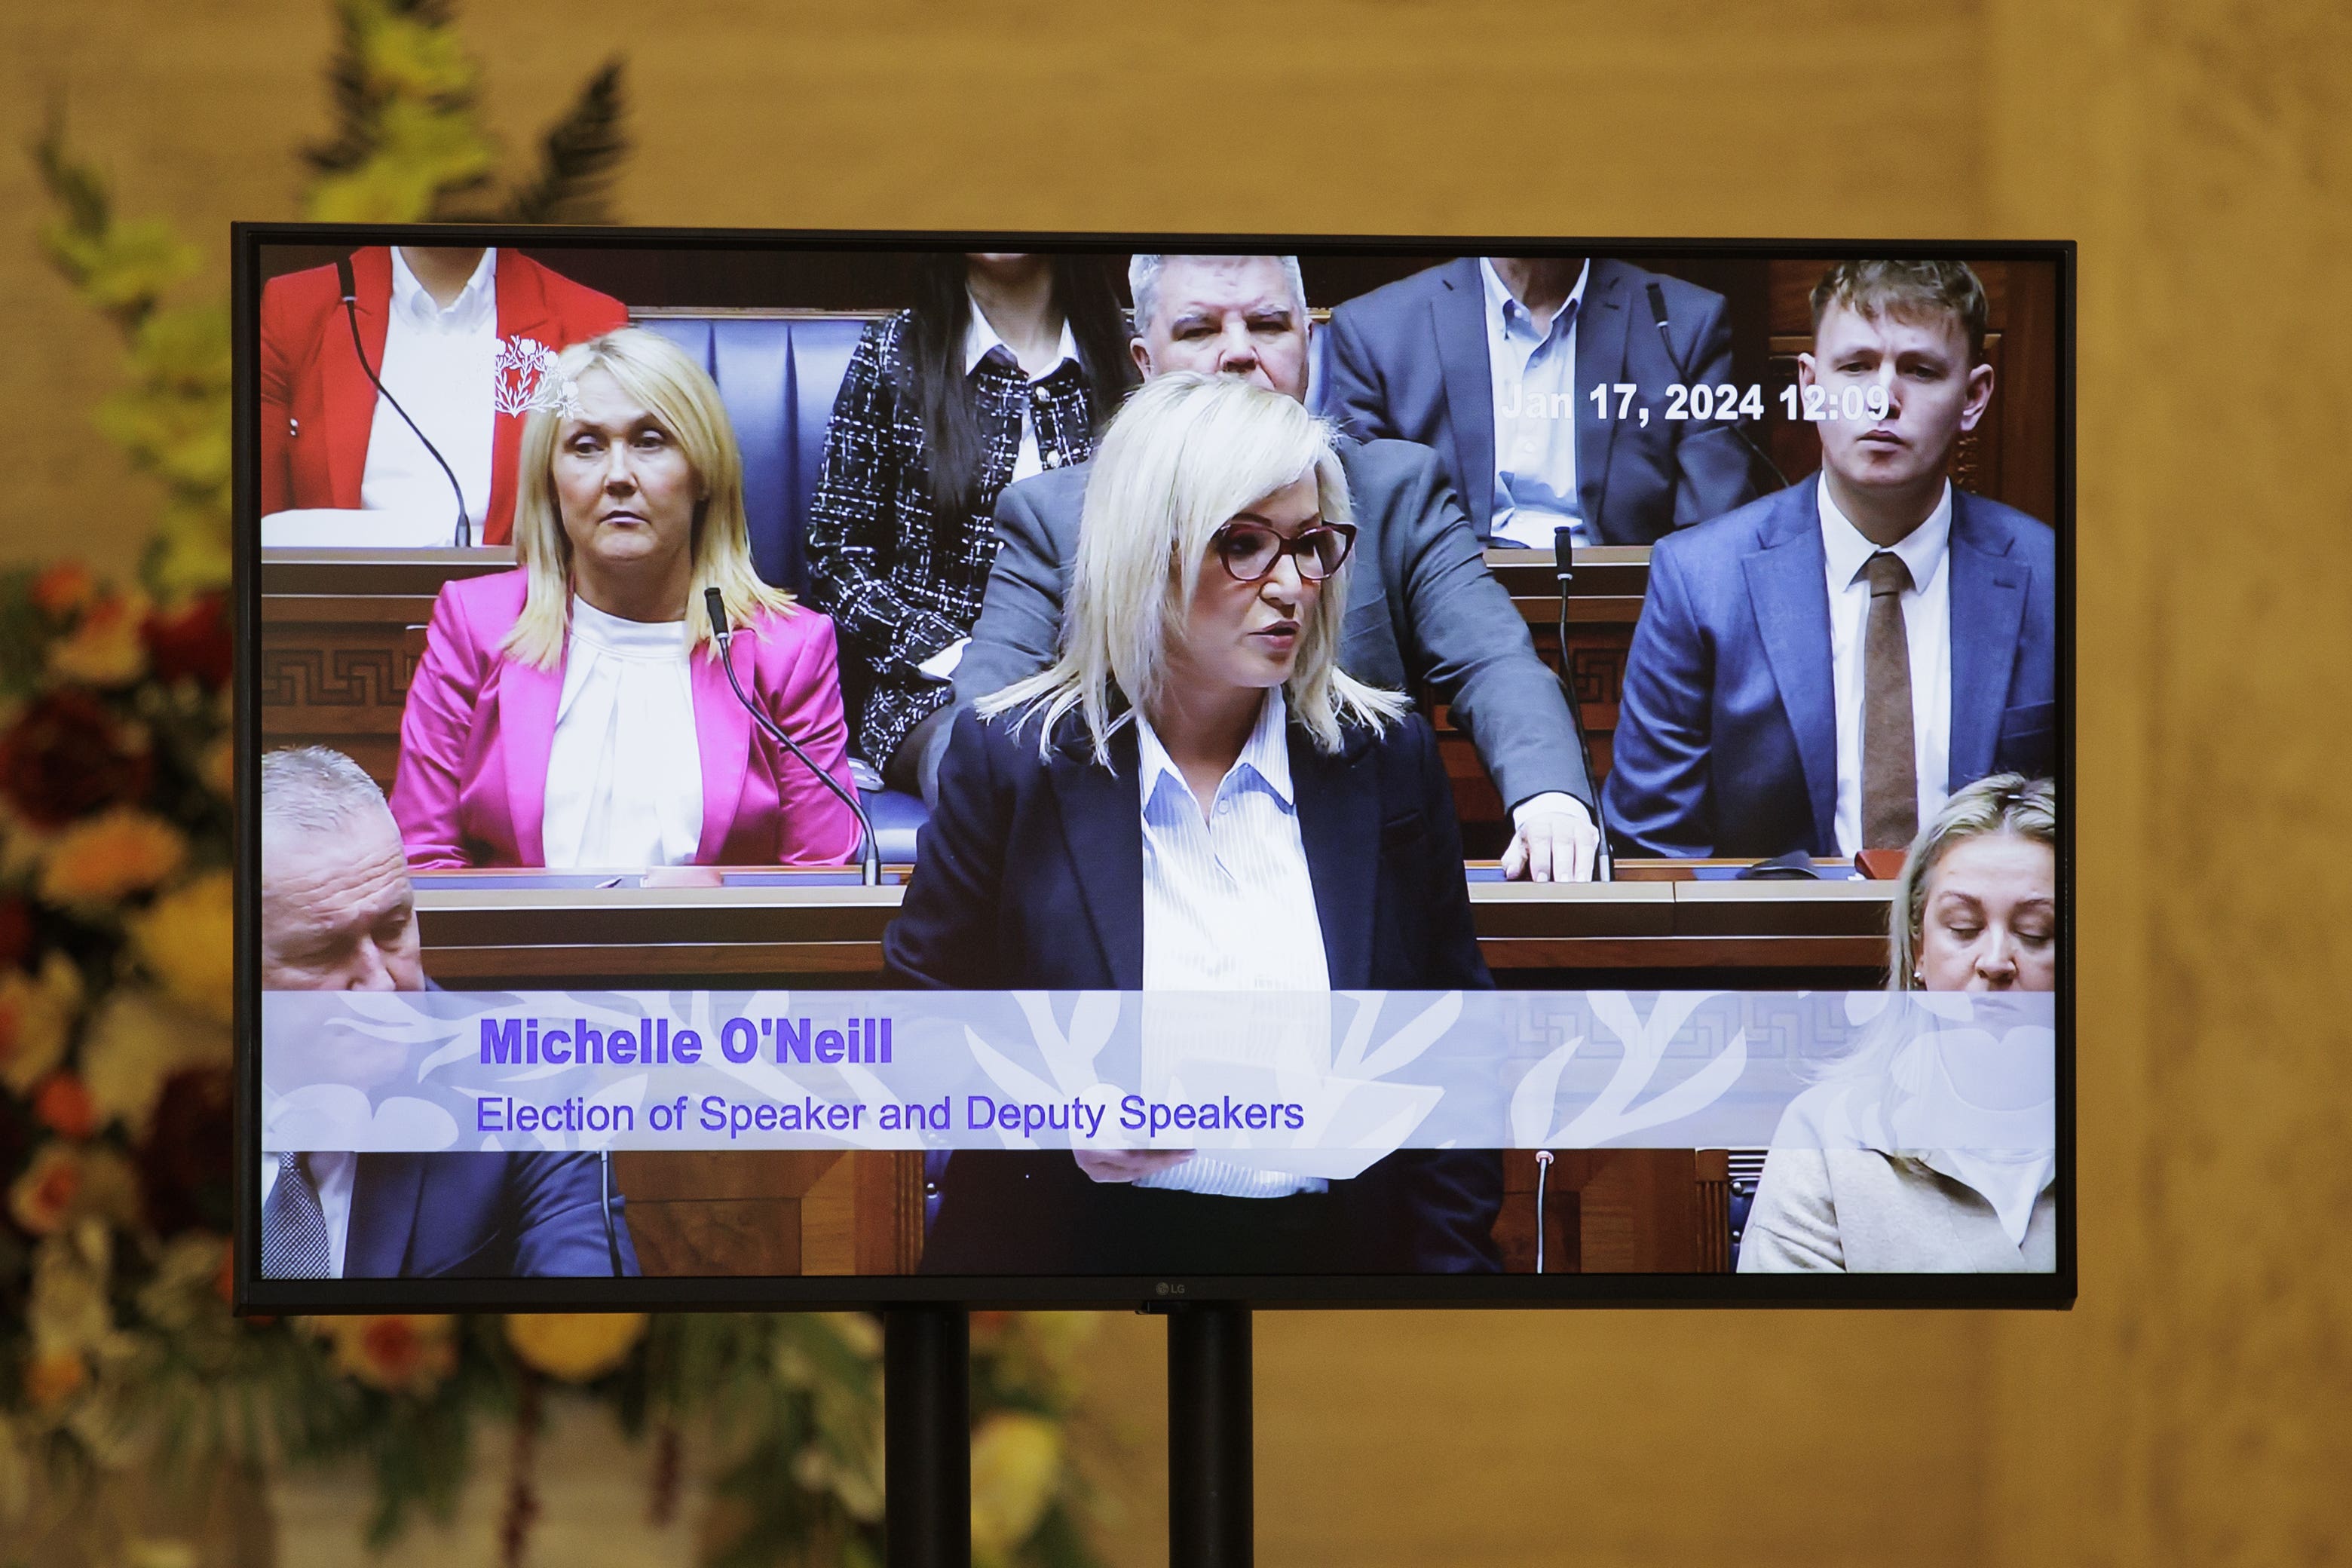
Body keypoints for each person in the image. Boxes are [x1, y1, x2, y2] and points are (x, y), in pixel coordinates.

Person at [885, 373, 1503, 1275]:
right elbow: (919, 1030)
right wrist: (1057, 1115)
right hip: (1064, 1275)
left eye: (1311, 544)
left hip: (1332, 1271)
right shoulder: (1010, 759)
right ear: (1149, 552)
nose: (1292, 584)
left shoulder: (1385, 755)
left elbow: (1454, 1047)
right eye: (1246, 545)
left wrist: (1443, 1294)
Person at [926, 252, 1600, 881]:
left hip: (1343, 868)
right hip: (1133, 874)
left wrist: (1551, 800)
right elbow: (981, 725)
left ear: (1309, 342)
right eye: (1198, 331)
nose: (1239, 353)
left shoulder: (1397, 490)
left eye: (1268, 324)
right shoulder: (1058, 513)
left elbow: (1494, 662)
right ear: (1144, 361)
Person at [1604, 260, 2056, 860]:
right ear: (1809, 387)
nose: (1883, 401)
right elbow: (1653, 852)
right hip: (1769, 945)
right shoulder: (1699, 579)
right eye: (1856, 367)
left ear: (1973, 397)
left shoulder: (2053, 576)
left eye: (1920, 371)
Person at [389, 327, 861, 871]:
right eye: (586, 446)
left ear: (703, 473)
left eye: (650, 441)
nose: (617, 476)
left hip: (717, 956)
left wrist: (715, 918)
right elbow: (424, 862)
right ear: (550, 480)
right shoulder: (475, 624)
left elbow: (818, 876)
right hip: (514, 956)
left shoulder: (788, 649)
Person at [260, 746, 639, 1278]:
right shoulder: (172, 1085)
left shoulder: (532, 1082)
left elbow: (587, 1311)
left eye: (392, 928)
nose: (379, 984)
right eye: (323, 952)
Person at [805, 253, 1133, 792]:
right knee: (988, 764)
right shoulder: (893, 350)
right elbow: (836, 556)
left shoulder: (1130, 347)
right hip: (932, 689)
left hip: (1110, 679)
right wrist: (954, 654)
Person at [1739, 773, 2058, 1272]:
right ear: (1919, 949)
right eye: (1964, 928)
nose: (1996, 960)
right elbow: (1783, 1349)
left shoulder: (2143, 1133)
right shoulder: (1829, 1133)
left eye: (2036, 933)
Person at [1322, 256, 1758, 547]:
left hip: (1635, 612)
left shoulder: (1684, 323)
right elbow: (1368, 536)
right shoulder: (1376, 330)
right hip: (1440, 609)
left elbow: (1715, 532)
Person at [259, 246, 629, 545]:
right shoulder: (296, 308)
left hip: (523, 612)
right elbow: (262, 528)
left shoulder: (587, 319)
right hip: (336, 617)